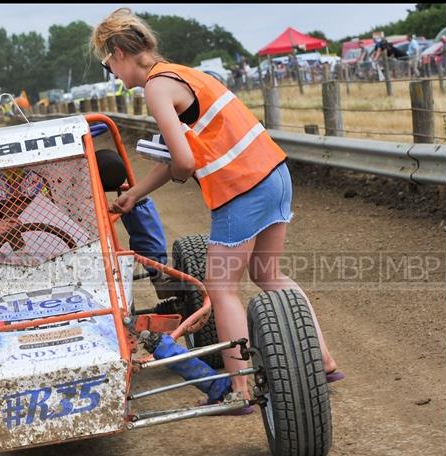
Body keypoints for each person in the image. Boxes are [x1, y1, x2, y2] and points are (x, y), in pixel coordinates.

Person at [91, 8, 343, 410]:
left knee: (222, 288)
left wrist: (176, 172)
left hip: (240, 187)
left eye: (109, 67)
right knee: (268, 274)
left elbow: (184, 163)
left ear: (119, 53)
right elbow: (179, 151)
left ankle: (240, 389)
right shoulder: (185, 74)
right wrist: (137, 192)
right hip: (274, 173)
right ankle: (323, 361)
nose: (114, 75)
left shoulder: (156, 89)